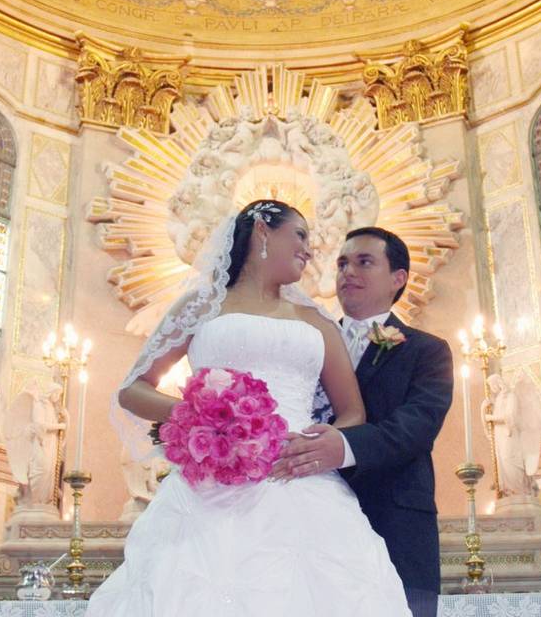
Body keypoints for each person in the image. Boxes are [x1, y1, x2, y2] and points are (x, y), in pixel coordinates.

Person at [86, 201, 412, 616]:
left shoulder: (317, 321)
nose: (309, 250)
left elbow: (352, 413)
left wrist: (321, 446)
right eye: (300, 235)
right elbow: (133, 390)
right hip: (210, 485)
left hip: (298, 479)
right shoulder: (201, 306)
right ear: (262, 230)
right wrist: (203, 417)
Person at [275, 227, 454, 617]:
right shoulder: (309, 342)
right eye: (342, 263)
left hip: (395, 522)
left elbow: (416, 426)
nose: (347, 272)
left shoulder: (428, 351)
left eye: (363, 262)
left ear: (398, 278)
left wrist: (343, 447)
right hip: (308, 514)